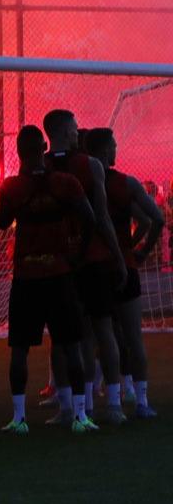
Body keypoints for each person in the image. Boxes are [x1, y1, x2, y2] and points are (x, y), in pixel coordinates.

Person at [0, 125, 96, 434]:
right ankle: (80, 416)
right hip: (59, 274)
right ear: (44, 148)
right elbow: (90, 220)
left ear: (18, 152)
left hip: (27, 277)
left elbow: (1, 223)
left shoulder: (12, 187)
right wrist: (76, 256)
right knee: (70, 346)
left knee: (20, 349)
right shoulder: (66, 182)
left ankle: (19, 418)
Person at [43, 110, 128, 425]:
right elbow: (102, 217)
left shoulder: (45, 167)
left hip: (66, 263)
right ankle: (104, 406)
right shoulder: (88, 165)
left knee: (71, 336)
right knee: (96, 332)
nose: (78, 133)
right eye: (75, 128)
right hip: (87, 261)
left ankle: (77, 406)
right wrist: (118, 257)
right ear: (65, 131)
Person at [86, 128, 165, 419]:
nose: (117, 150)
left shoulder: (81, 183)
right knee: (133, 337)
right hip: (125, 269)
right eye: (115, 145)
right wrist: (139, 251)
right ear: (107, 150)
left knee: (99, 338)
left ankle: (109, 403)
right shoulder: (126, 183)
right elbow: (155, 219)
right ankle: (142, 403)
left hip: (95, 268)